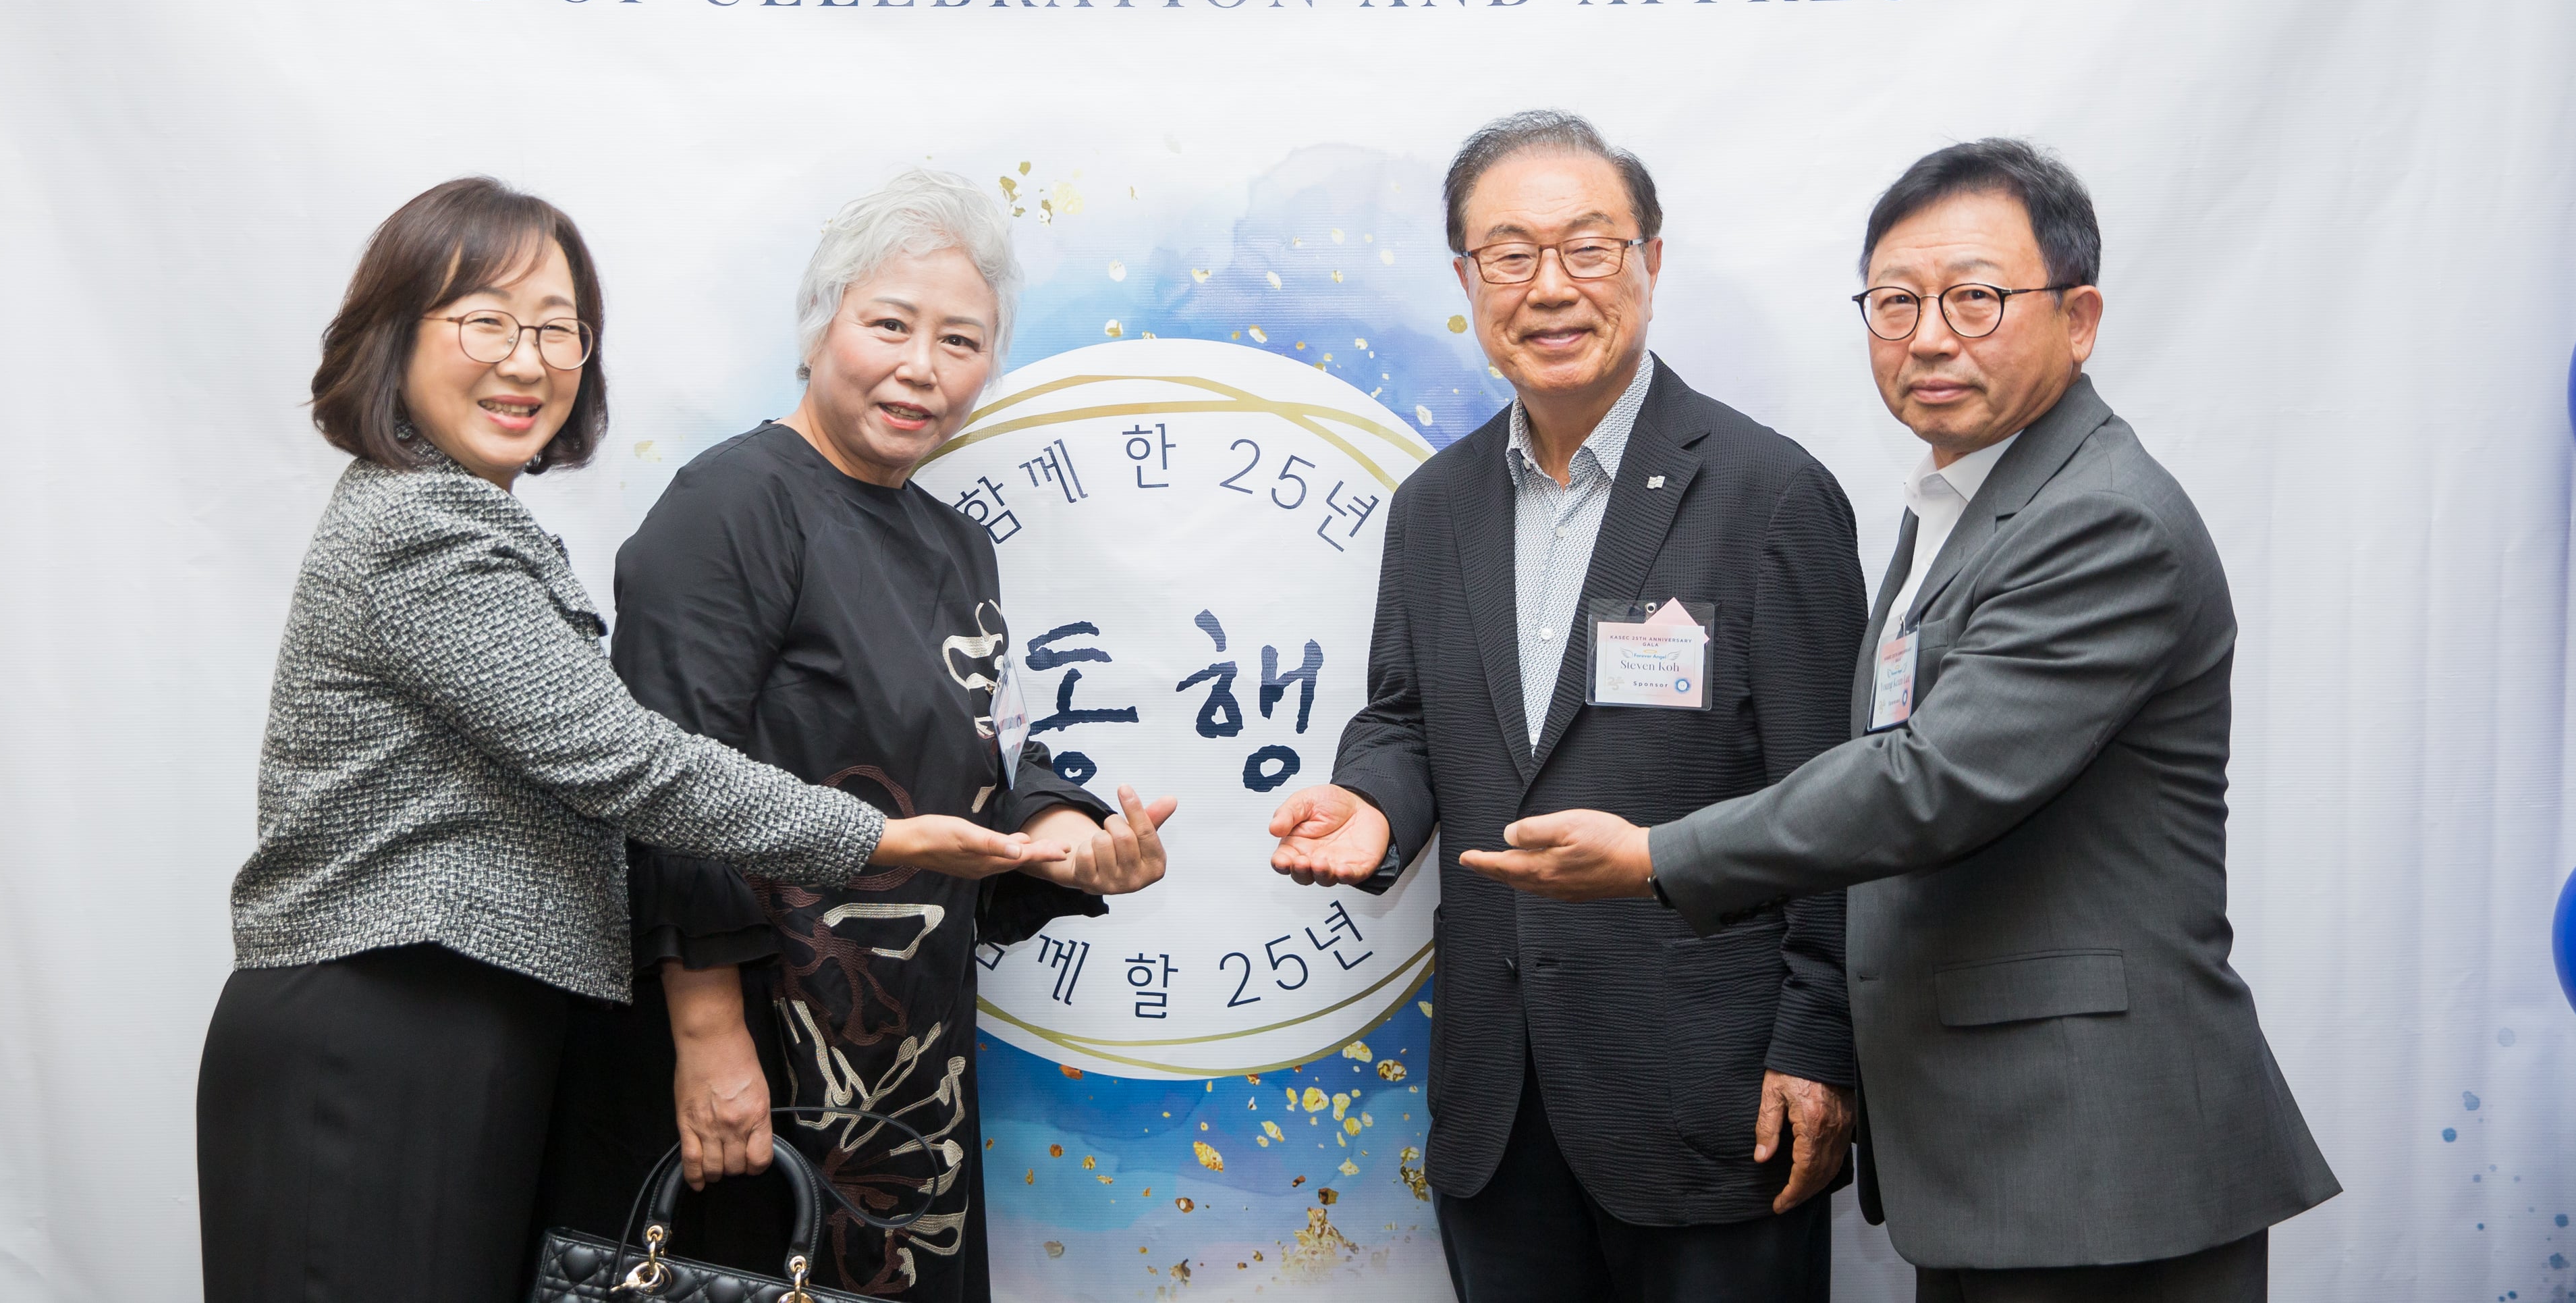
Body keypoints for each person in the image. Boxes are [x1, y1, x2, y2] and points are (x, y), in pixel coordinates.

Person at [1471, 140, 2339, 1302]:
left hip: (2097, 1157)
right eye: (1895, 303)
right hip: (1992, 1152)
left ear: (2078, 318)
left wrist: (1655, 857)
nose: (1929, 338)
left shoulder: (2100, 520)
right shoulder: (1966, 503)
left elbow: (1927, 781)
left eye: (1975, 299)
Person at [195, 178, 1067, 1303]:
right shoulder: (429, 528)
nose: (526, 361)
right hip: (386, 1021)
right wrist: (882, 842)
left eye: (556, 330)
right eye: (486, 321)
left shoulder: (477, 518)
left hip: (475, 1020)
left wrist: (1056, 823)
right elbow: (641, 767)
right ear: (393, 336)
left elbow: (980, 745)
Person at [1265, 111, 1867, 1303]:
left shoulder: (1768, 494)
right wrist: (1374, 805)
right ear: (1465, 280)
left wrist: (1819, 1044)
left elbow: (1839, 796)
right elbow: (1403, 716)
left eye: (1588, 247)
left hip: (1713, 1095)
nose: (1550, 287)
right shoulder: (1434, 506)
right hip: (1498, 1101)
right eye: (1510, 253)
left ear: (1650, 260)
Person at [564, 167, 1175, 1303]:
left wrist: (1063, 834)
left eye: (961, 340)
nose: (922, 367)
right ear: (817, 328)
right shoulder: (731, 504)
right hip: (759, 1034)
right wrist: (709, 1037)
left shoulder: (956, 544)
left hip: (907, 1053)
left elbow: (989, 749)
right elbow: (664, 788)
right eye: (889, 324)